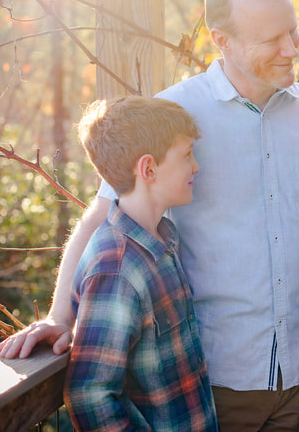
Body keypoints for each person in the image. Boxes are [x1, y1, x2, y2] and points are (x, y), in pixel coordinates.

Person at [0, 0, 299, 431]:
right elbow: (103, 216)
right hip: (209, 388)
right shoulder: (174, 119)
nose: (290, 50)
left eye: (293, 32)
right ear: (221, 39)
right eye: (271, 40)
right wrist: (60, 316)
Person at [64, 96, 217, 431]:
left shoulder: (164, 239)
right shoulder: (116, 268)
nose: (196, 166)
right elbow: (90, 396)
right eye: (186, 155)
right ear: (148, 169)